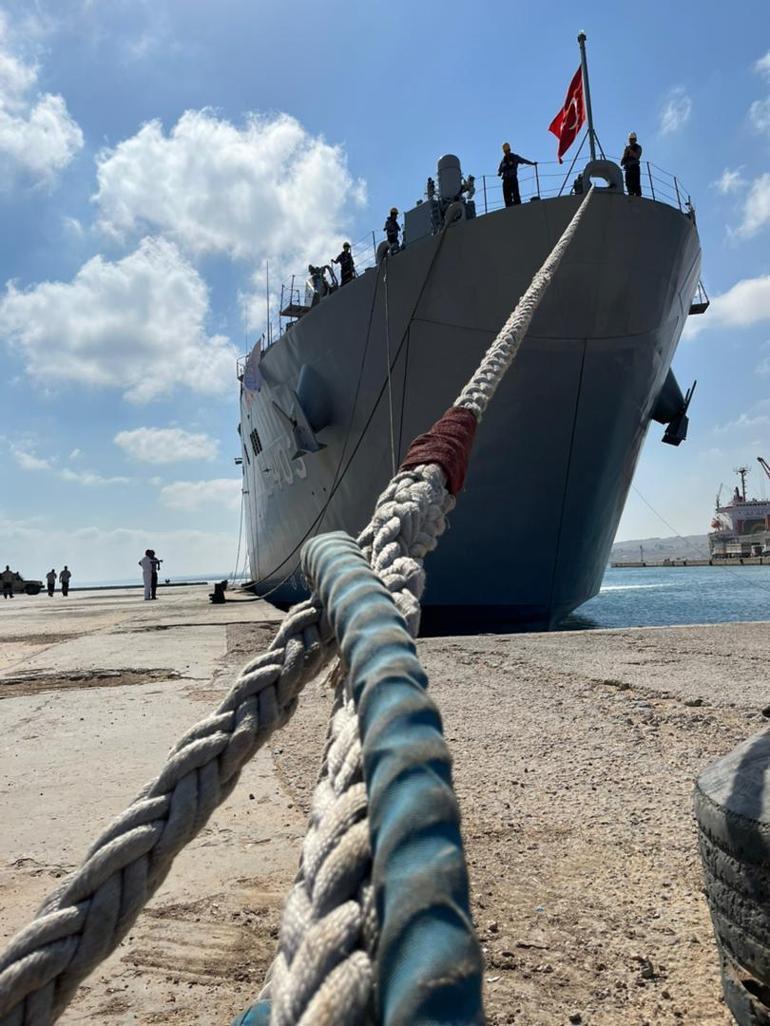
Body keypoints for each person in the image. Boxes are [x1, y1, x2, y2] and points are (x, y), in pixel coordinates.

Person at [498, 142, 536, 207]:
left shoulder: (515, 157)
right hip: (506, 180)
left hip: (513, 178)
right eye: (505, 151)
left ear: (509, 150)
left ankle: (518, 206)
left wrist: (532, 163)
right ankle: (508, 207)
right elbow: (500, 170)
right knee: (507, 197)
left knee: (516, 196)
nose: (506, 152)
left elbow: (524, 160)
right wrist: (499, 173)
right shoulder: (503, 160)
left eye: (507, 151)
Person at [621, 132, 642, 197]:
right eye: (630, 139)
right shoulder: (627, 149)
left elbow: (637, 156)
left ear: (635, 140)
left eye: (632, 139)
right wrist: (625, 153)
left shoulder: (638, 147)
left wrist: (630, 150)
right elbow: (622, 163)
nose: (631, 141)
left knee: (636, 185)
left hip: (635, 168)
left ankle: (638, 198)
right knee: (628, 185)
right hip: (628, 170)